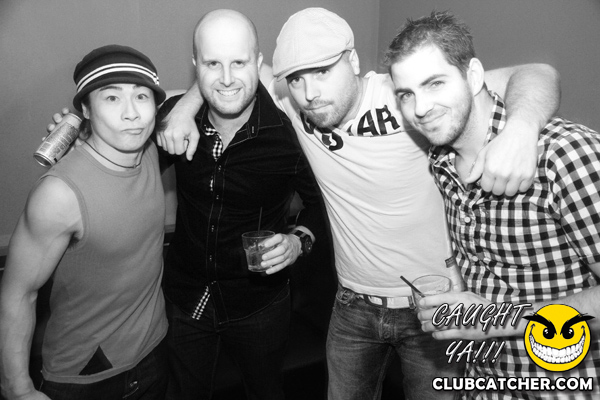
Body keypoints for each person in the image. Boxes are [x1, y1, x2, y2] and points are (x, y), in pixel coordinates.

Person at [159, 7, 561, 399]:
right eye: (297, 78)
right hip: (352, 306)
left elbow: (536, 73)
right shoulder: (292, 101)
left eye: (323, 71)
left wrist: (522, 129)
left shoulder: (406, 96)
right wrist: (184, 109)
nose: (311, 93)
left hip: (433, 304)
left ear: (352, 61)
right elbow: (229, 75)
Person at [385, 11, 600, 399]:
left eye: (435, 83)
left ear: (473, 77)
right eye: (406, 94)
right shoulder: (441, 162)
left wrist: (496, 319)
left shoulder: (564, 155)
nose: (420, 108)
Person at [157, 9, 325, 400]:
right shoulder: (175, 120)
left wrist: (298, 240)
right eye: (213, 64)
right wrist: (78, 132)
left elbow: (320, 204)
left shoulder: (288, 135)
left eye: (239, 63)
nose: (227, 78)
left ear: (259, 63)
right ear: (196, 65)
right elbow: (121, 154)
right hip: (185, 300)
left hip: (259, 307)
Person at [0, 45, 169, 400]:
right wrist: (17, 388)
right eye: (111, 97)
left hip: (155, 353)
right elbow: (18, 293)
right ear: (86, 110)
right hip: (86, 378)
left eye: (141, 96)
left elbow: (212, 89)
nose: (131, 113)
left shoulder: (152, 152)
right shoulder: (60, 194)